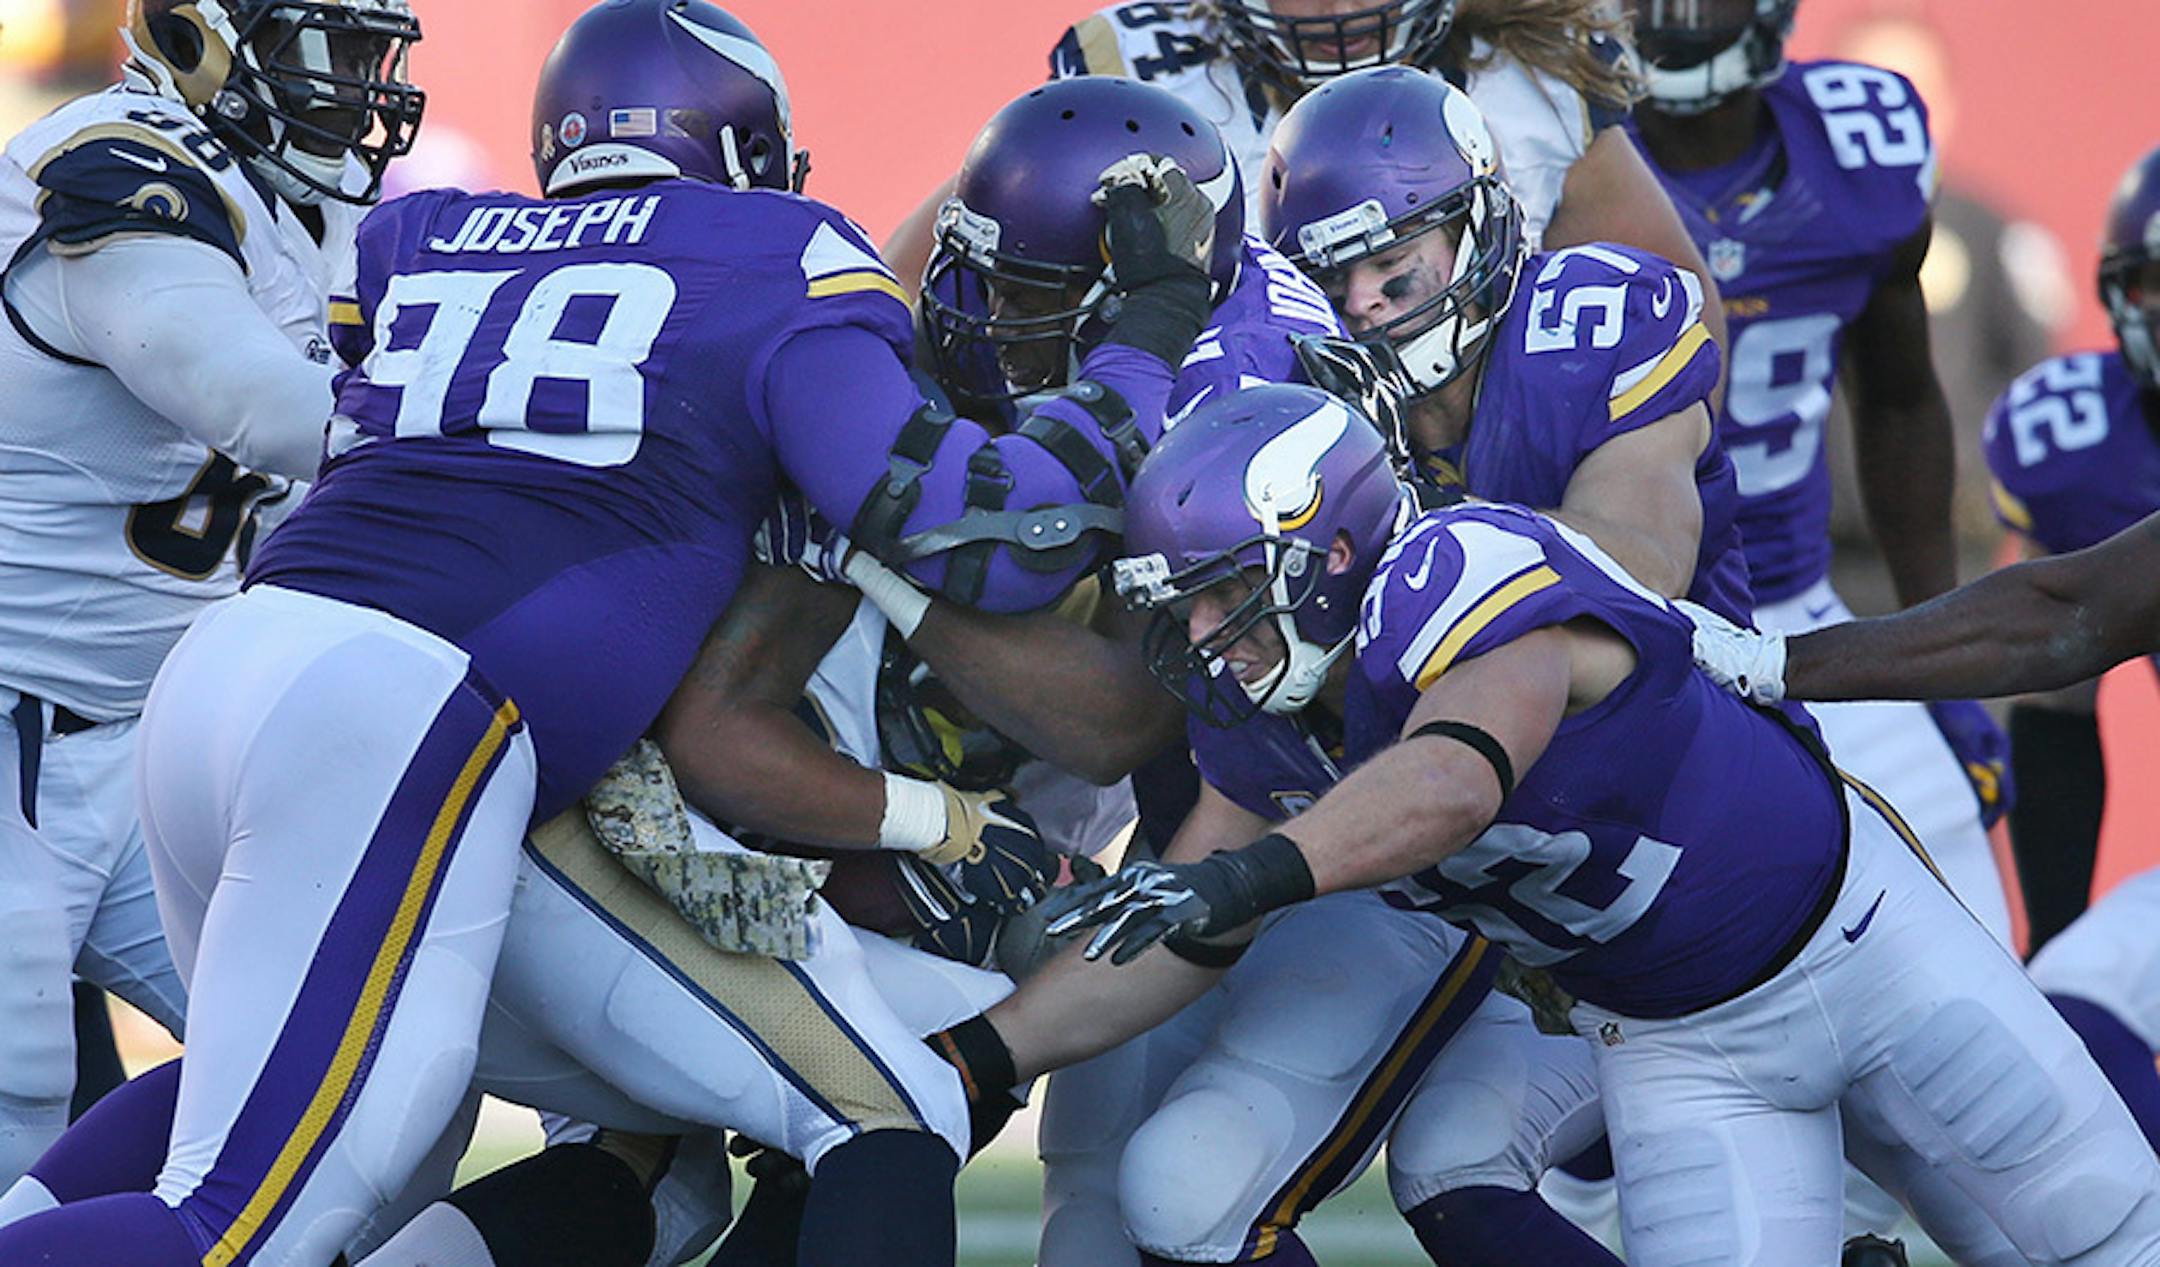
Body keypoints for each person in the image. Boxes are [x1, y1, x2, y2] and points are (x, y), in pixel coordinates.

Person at [0, 1, 1222, 1262]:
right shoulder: (782, 252)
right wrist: (1147, 331)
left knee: (321, 1117)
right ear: (746, 151)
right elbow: (994, 530)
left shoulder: (424, 236)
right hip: (407, 708)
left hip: (229, 666)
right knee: (254, 1218)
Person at [1045, 382, 2160, 1266]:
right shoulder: (1266, 721)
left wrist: (1780, 660)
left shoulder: (1456, 566)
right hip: (1674, 1036)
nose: (1201, 633)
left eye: (1218, 591)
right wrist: (982, 1054)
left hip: (1851, 932)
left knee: (2103, 1227)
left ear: (1331, 549)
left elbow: (1455, 778)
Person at [0, 0, 423, 1189]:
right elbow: (267, 408)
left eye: (369, 49)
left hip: (149, 738)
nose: (358, 84)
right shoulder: (119, 172)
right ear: (201, 35)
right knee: (18, 1099)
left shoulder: (318, 206)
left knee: (348, 1065)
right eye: (325, 46)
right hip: (11, 714)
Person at [1688, 143, 2160, 1162]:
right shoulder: (2088, 446)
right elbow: (2058, 645)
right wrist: (2058, 923)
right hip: (1845, 601)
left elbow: (2058, 609)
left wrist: (1783, 666)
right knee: (2073, 1006)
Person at [1619, 0, 2014, 947]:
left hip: (1799, 609)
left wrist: (1936, 651)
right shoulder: (1539, 142)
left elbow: (1901, 398)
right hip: (1612, 621)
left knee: (1973, 941)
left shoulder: (1857, 147)